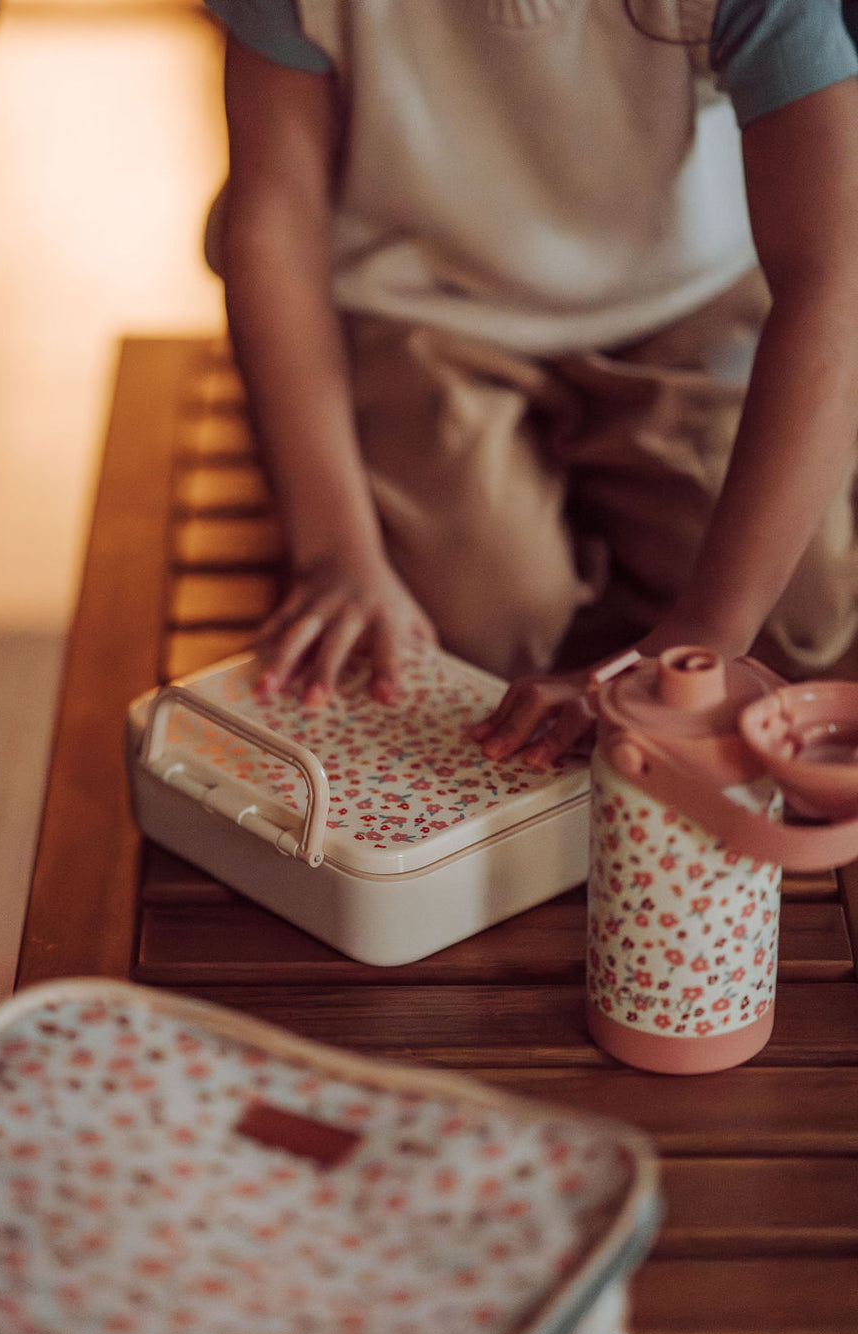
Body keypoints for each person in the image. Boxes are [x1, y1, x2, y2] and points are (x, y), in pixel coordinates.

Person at [203, 0, 858, 768]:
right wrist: (335, 552)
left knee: (792, 624)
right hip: (421, 306)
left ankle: (583, 527)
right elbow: (276, 223)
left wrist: (706, 632)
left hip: (690, 300)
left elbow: (831, 280)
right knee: (459, 636)